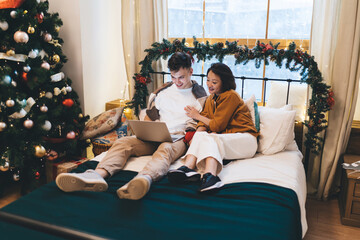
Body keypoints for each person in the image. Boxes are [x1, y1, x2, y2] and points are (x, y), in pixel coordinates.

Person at [56, 52, 207, 200]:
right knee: (123, 142)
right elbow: (150, 116)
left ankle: (143, 179)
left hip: (177, 138)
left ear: (191, 71)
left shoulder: (199, 96)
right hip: (155, 134)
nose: (177, 81)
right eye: (173, 77)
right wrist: (144, 129)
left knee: (165, 149)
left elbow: (203, 124)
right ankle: (96, 175)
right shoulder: (163, 92)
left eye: (181, 77)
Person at [167, 63, 259, 192]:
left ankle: (211, 176)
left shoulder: (231, 96)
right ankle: (188, 167)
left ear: (224, 82)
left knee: (212, 137)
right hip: (227, 139)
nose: (209, 84)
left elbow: (217, 125)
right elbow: (203, 122)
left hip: (246, 140)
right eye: (208, 80)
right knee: (203, 135)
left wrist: (196, 115)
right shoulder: (211, 99)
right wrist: (196, 137)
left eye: (214, 82)